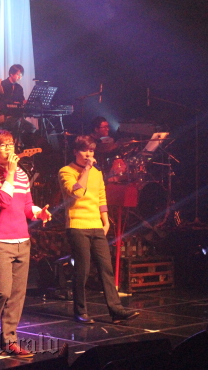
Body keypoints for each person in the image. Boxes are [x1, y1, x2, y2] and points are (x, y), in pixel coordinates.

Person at [0, 130, 52, 358]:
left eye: (11, 144)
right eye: (3, 146)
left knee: (17, 294)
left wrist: (39, 213)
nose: (9, 149)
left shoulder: (23, 175)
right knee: (1, 291)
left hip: (22, 240)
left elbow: (27, 205)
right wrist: (11, 172)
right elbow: (2, 201)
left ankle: (9, 341)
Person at [58, 135, 140, 324]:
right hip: (77, 225)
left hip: (96, 225)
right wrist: (86, 169)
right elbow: (77, 192)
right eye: (85, 150)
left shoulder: (97, 173)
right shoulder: (66, 171)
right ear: (75, 152)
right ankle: (80, 311)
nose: (88, 154)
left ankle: (116, 310)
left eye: (91, 151)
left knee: (106, 269)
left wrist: (105, 221)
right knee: (83, 270)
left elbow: (101, 197)